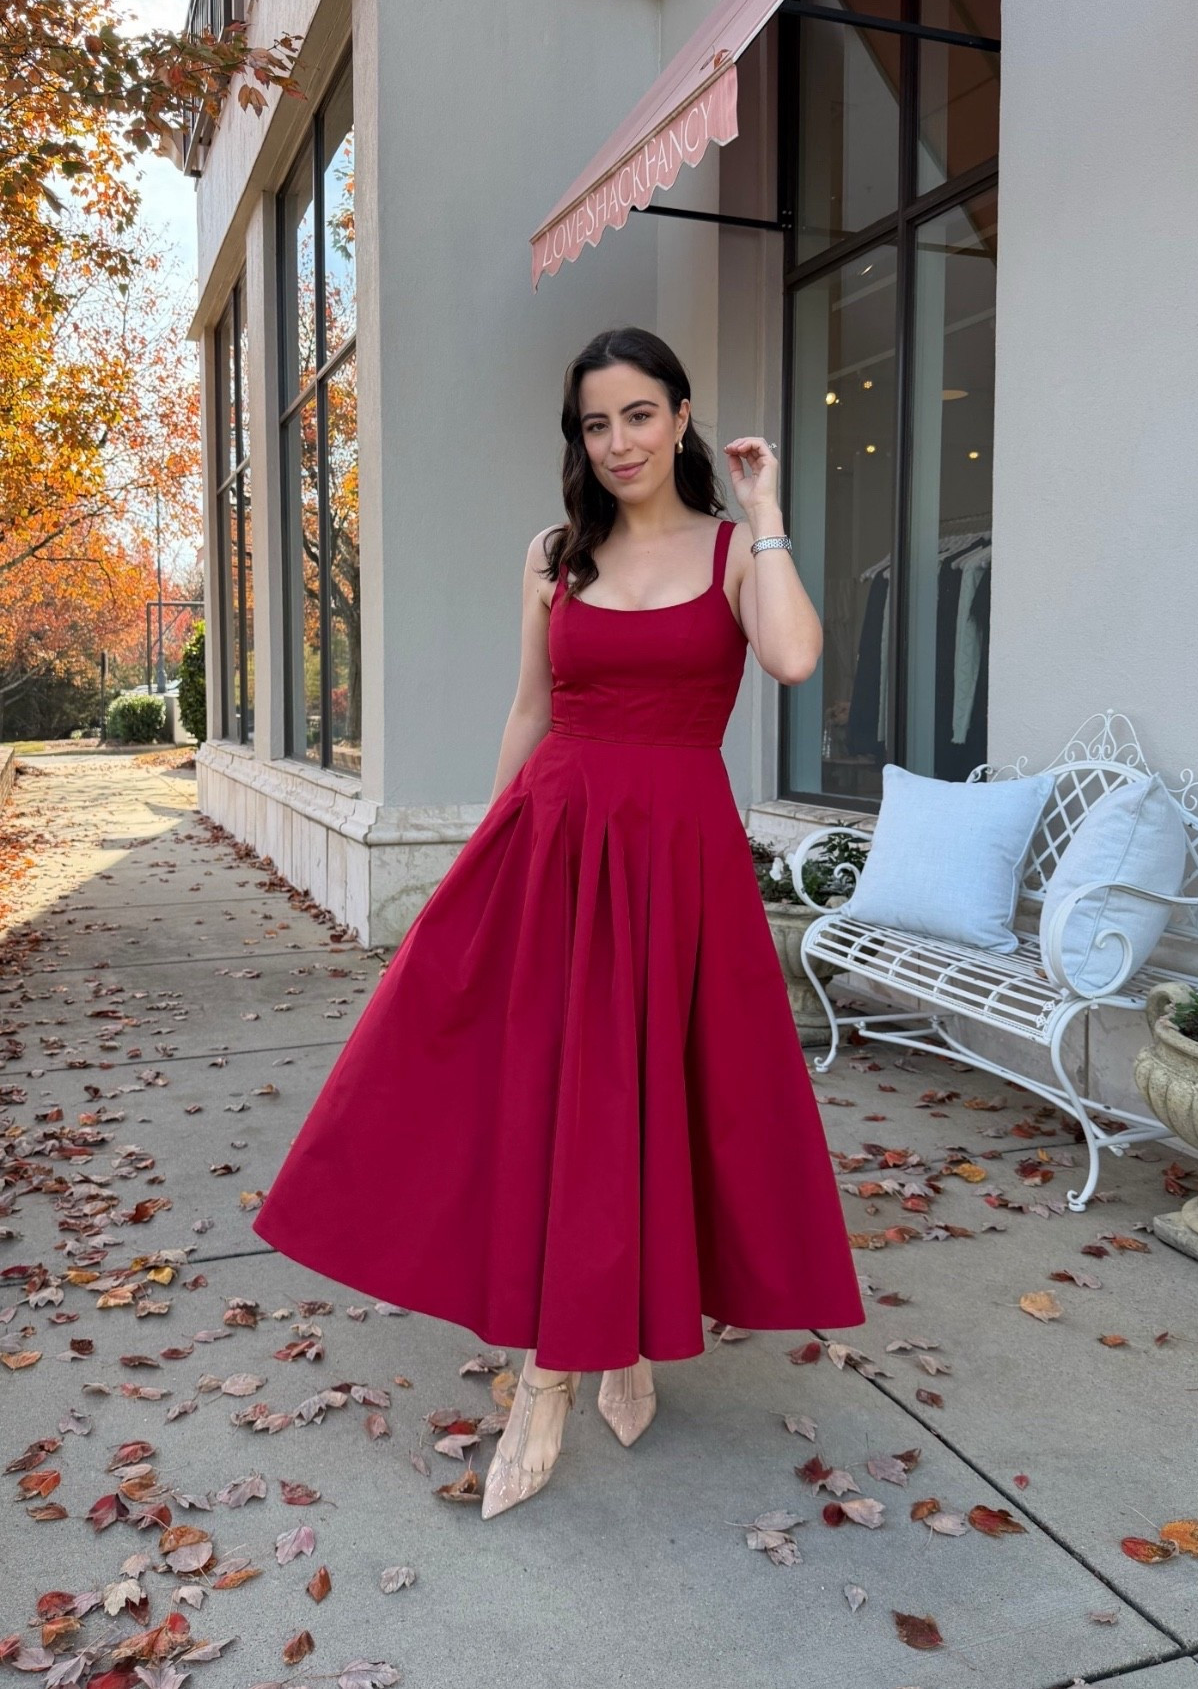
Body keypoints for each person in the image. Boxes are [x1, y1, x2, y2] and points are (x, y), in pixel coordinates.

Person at [250, 326, 865, 1520]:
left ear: (681, 416)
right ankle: (550, 1373)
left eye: (639, 414)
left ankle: (608, 1343)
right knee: (551, 1103)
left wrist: (769, 503)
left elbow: (791, 656)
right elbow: (531, 710)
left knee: (649, 1102)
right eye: (596, 423)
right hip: (557, 850)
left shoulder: (739, 552)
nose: (618, 441)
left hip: (679, 864)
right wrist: (485, 852)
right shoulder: (554, 556)